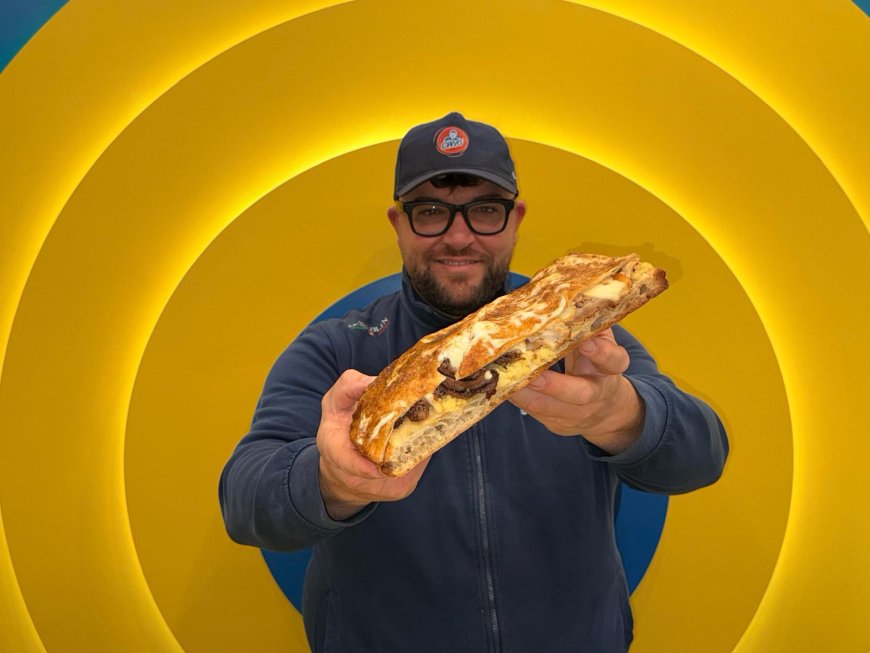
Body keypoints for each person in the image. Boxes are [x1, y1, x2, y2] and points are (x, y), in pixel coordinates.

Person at [219, 112, 729, 652]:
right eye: (430, 212)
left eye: (485, 210)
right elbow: (245, 502)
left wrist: (620, 416)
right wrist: (330, 481)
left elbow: (702, 457)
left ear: (515, 218)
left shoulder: (578, 333)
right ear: (398, 223)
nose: (458, 237)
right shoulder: (337, 348)